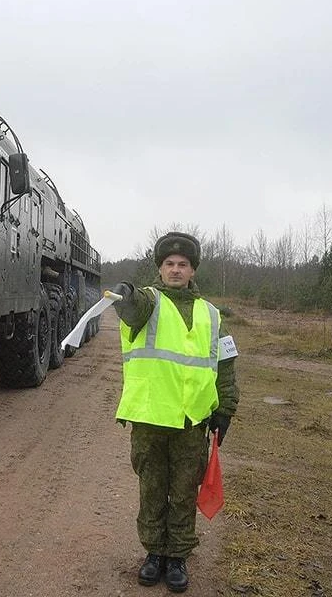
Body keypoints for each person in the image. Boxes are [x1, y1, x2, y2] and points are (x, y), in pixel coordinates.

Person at [109, 231, 239, 593]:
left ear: (193, 271)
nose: (176, 269)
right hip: (151, 418)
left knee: (183, 491)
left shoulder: (212, 316)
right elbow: (132, 307)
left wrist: (224, 410)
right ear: (160, 269)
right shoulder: (148, 302)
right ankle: (154, 554)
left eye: (183, 264)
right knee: (152, 489)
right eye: (170, 264)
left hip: (191, 421)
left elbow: (226, 367)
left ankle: (178, 556)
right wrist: (125, 292)